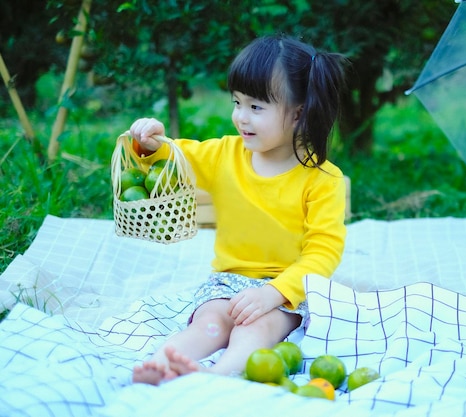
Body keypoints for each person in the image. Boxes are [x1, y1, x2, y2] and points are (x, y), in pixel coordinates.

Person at [130, 34, 349, 385]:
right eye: (237, 102)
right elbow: (175, 158)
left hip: (285, 289)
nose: (240, 117)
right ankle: (161, 363)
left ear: (298, 113)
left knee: (256, 329)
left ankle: (215, 376)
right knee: (210, 322)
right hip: (226, 282)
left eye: (256, 107)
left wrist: (272, 293)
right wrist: (149, 145)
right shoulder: (224, 155)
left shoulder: (323, 180)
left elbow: (323, 252)